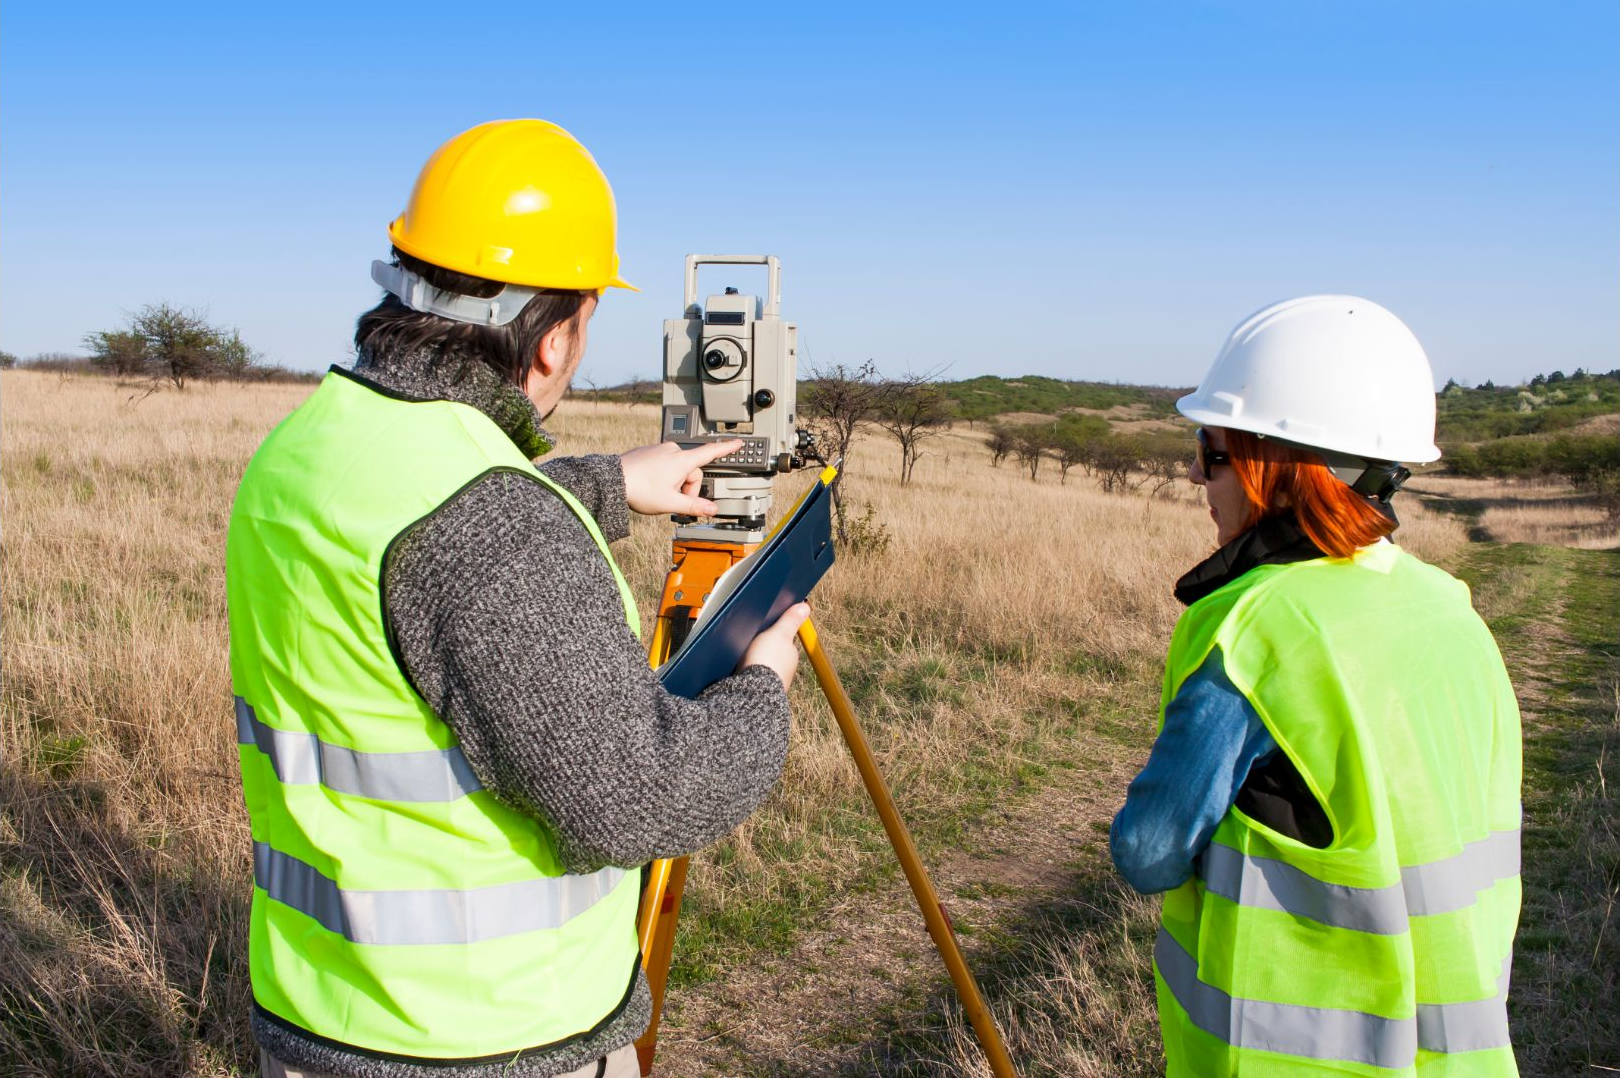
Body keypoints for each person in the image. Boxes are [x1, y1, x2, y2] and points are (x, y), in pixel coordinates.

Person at [226, 119, 810, 1079]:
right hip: (490, 1042)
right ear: (554, 337)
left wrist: (602, 481)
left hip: (318, 1013)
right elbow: (643, 796)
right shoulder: (489, 527)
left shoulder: (302, 453)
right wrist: (765, 688)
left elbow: (415, 557)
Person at [1110, 296, 1522, 1077]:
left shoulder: (1254, 627)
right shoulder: (1453, 612)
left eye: (1215, 448)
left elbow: (1150, 851)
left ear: (1276, 467)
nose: (1197, 471)